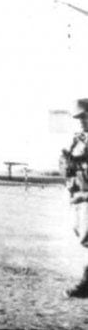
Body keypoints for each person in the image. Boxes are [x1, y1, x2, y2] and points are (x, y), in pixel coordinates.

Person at [63, 99, 88, 298]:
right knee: (81, 234)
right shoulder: (79, 139)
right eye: (78, 118)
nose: (81, 121)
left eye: (84, 116)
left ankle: (86, 283)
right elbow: (69, 166)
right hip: (79, 196)